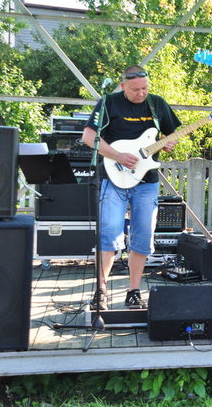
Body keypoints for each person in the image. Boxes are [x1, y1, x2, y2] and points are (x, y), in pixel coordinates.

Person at [82, 65, 181, 310]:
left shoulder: (157, 104)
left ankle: (134, 291)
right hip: (113, 178)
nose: (141, 93)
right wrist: (117, 156)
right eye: (135, 89)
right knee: (109, 233)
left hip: (146, 181)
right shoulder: (109, 102)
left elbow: (171, 135)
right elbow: (89, 137)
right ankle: (101, 291)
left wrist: (169, 143)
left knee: (143, 236)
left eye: (145, 88)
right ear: (123, 85)